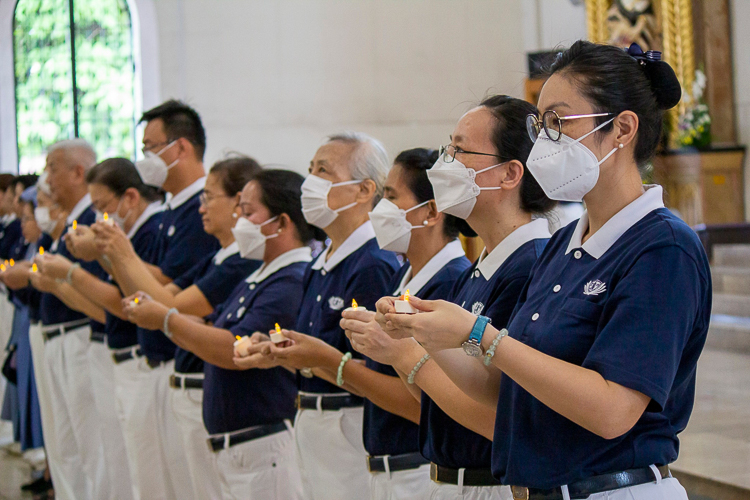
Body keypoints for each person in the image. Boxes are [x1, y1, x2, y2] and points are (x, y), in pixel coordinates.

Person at [385, 41, 706, 500]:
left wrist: (481, 335)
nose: (545, 138)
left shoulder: (662, 246)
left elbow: (612, 410)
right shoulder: (562, 244)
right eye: (541, 124)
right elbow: (502, 392)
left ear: (621, 129)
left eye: (558, 121)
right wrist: (433, 335)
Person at [371, 96, 554, 500]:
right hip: (449, 479)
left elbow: (499, 413)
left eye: (459, 150)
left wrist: (404, 354)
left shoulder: (532, 266)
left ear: (509, 173)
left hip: (494, 483)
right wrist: (406, 331)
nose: (445, 164)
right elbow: (436, 398)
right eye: (446, 149)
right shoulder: (482, 266)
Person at [126, 169, 320, 499]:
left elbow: (234, 348)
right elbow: (214, 328)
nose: (238, 221)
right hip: (237, 443)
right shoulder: (260, 275)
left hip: (264, 441)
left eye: (246, 213)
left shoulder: (290, 281)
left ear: (281, 223)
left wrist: (167, 320)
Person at [238, 132, 400, 500]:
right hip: (310, 414)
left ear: (364, 191)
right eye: (310, 169)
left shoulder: (374, 263)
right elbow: (316, 345)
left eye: (324, 171)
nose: (309, 181)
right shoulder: (320, 261)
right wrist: (278, 348)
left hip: (347, 419)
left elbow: (373, 366)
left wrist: (309, 357)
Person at [91, 156, 261, 499]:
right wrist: (117, 258)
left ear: (239, 205)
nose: (201, 208)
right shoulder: (217, 258)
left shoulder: (242, 261)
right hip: (184, 386)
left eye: (209, 197)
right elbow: (155, 299)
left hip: (209, 389)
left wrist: (121, 254)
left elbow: (167, 305)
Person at [336, 147, 472, 499]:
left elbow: (435, 398)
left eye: (391, 197)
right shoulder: (403, 277)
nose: (381, 209)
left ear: (430, 211)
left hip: (416, 463)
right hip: (391, 463)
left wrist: (335, 364)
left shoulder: (449, 283)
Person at [35, 157, 164, 500]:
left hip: (140, 358)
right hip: (117, 353)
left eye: (103, 206)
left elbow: (130, 303)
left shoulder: (151, 231)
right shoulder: (133, 235)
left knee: (131, 465)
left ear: (131, 197)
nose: (99, 217)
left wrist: (70, 275)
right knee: (104, 454)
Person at [26, 139, 110, 500]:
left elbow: (97, 293)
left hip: (80, 335)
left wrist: (56, 283)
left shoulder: (92, 220)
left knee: (91, 445)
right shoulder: (71, 222)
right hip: (58, 336)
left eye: (52, 168)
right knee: (64, 441)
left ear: (79, 172)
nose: (47, 179)